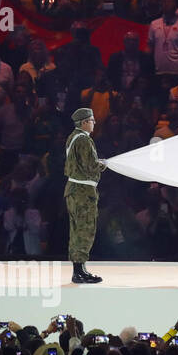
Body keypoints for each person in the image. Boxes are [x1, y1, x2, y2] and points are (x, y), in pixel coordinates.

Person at [64, 106, 105, 283]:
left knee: (76, 229)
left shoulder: (73, 138)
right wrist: (102, 164)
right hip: (83, 191)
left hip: (74, 190)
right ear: (85, 122)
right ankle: (79, 270)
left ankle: (79, 268)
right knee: (85, 228)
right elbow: (89, 166)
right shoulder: (83, 140)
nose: (94, 123)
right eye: (92, 120)